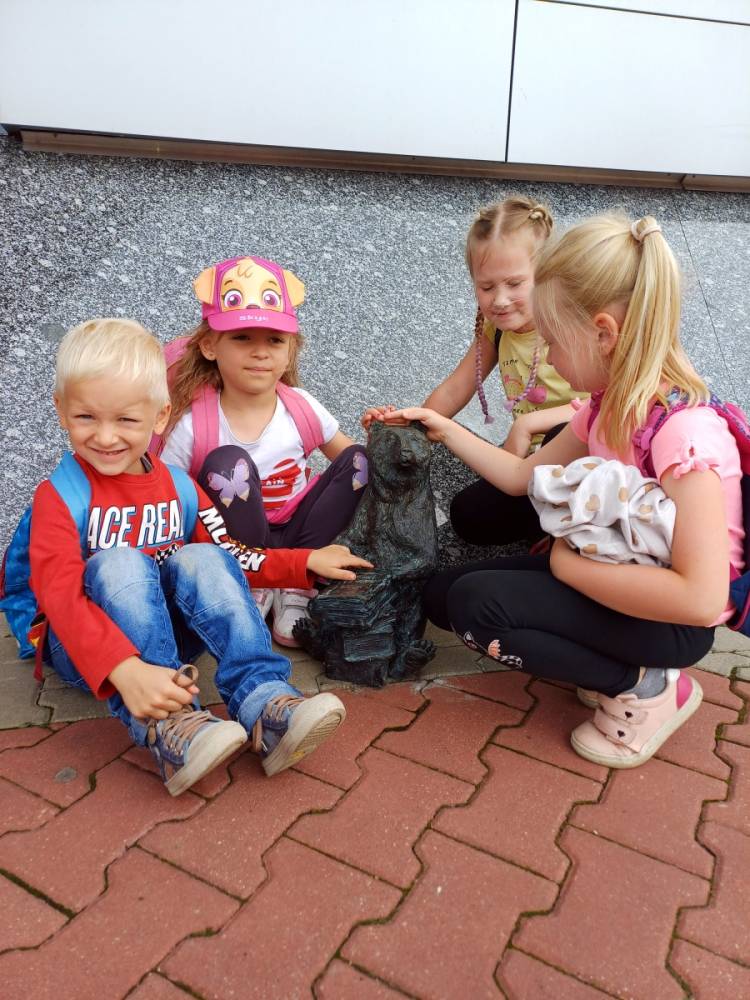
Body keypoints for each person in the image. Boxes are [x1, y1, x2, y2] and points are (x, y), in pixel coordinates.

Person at [384, 214, 739, 768]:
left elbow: (701, 599)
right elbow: (521, 478)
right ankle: (606, 660)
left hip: (668, 622)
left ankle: (645, 686)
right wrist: (442, 427)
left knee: (478, 610)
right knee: (441, 596)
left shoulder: (684, 436)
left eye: (552, 341)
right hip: (610, 576)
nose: (546, 356)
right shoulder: (605, 407)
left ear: (603, 333)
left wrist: (566, 565)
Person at [30, 318, 372, 795]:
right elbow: (60, 598)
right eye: (87, 417)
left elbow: (231, 554)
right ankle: (170, 727)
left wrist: (302, 562)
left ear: (160, 417)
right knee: (120, 561)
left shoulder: (179, 487)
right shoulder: (60, 495)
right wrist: (124, 669)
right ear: (61, 411)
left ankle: (265, 704)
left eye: (126, 420)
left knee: (203, 558)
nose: (106, 437)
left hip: (169, 638)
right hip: (89, 650)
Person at [160, 254, 367, 645]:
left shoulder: (302, 407)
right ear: (209, 345)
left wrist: (384, 433)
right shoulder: (194, 424)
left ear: (290, 349)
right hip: (236, 547)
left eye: (274, 340)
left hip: (298, 533)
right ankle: (251, 584)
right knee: (228, 463)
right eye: (242, 338)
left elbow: (351, 463)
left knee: (361, 459)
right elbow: (168, 496)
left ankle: (298, 583)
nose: (260, 352)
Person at [363, 196, 582, 547]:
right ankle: (548, 520)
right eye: (487, 287)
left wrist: (529, 423)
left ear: (547, 274)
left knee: (560, 432)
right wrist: (410, 426)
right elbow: (456, 388)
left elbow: (611, 404)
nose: (500, 299)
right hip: (529, 462)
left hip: (582, 452)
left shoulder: (573, 324)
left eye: (514, 283)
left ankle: (571, 529)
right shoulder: (496, 329)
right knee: (468, 515)